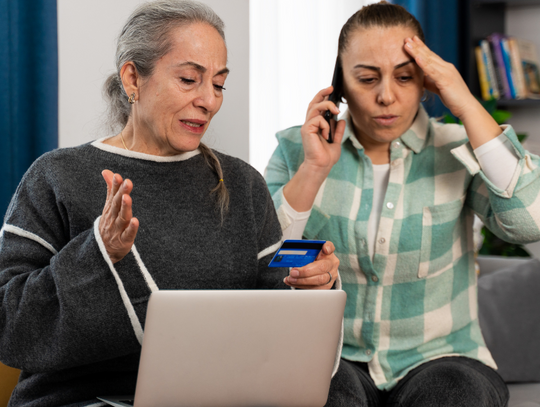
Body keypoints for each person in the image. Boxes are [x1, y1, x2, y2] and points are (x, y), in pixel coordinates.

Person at [0, 1, 341, 406]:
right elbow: (9, 325)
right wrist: (98, 253)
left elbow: (276, 292)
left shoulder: (241, 183)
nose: (209, 101)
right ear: (132, 78)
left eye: (218, 84)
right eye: (188, 79)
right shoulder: (56, 176)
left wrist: (313, 280)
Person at [265, 2, 540, 406]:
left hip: (445, 358)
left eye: (405, 77)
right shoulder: (297, 150)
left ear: (427, 82)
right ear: (339, 84)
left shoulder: (460, 149)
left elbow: (530, 221)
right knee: (321, 392)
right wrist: (312, 170)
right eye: (366, 78)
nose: (386, 96)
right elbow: (266, 259)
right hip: (337, 356)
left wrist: (464, 103)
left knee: (451, 394)